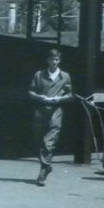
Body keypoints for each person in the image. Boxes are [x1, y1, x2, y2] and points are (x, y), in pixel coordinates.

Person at [27, 48, 73, 186]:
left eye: (57, 60)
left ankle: (43, 170)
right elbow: (30, 91)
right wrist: (40, 97)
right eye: (52, 59)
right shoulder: (39, 74)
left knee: (49, 141)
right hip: (41, 110)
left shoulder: (64, 76)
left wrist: (59, 98)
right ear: (48, 60)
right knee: (39, 141)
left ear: (59, 61)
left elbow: (70, 94)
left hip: (55, 110)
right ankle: (46, 165)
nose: (54, 62)